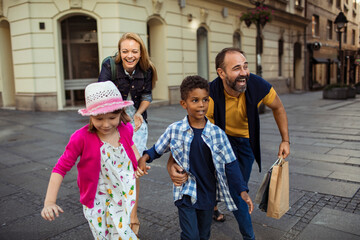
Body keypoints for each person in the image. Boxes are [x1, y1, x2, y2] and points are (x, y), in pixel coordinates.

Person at [168, 48, 290, 240]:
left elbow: (278, 107)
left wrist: (285, 140)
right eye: (236, 68)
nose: (243, 73)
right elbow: (190, 129)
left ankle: (237, 226)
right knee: (214, 180)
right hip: (218, 139)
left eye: (245, 66)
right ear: (221, 73)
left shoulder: (257, 85)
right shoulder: (210, 93)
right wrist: (172, 161)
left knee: (237, 188)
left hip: (246, 143)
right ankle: (219, 211)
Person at [135, 75, 254, 240]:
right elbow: (157, 149)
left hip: (207, 195)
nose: (201, 105)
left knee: (204, 235)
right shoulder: (174, 130)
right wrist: (144, 158)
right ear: (184, 103)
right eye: (195, 100)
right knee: (190, 236)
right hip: (185, 192)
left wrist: (242, 191)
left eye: (205, 100)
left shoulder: (218, 134)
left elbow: (231, 165)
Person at [41, 81, 145, 240]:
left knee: (123, 234)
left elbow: (131, 145)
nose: (106, 124)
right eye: (99, 118)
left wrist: (139, 163)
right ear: (90, 115)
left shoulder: (125, 129)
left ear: (120, 112)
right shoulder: (80, 138)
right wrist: (49, 202)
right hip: (97, 200)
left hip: (121, 195)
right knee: (103, 236)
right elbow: (60, 169)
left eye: (112, 117)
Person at [98, 32, 158, 234]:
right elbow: (102, 94)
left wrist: (139, 113)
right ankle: (114, 211)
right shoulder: (109, 65)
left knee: (134, 168)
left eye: (134, 51)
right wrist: (117, 116)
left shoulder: (147, 68)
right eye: (125, 51)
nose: (129, 55)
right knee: (113, 168)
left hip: (136, 120)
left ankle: (132, 215)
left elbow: (147, 95)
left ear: (141, 53)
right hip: (113, 117)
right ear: (119, 52)